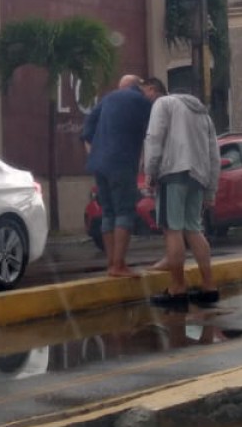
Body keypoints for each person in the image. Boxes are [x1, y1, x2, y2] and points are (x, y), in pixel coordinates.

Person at [139, 77, 221, 309]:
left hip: (172, 172)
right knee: (193, 229)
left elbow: (154, 138)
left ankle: (177, 288)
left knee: (172, 230)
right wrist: (211, 188)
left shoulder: (163, 104)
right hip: (199, 175)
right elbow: (213, 152)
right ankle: (209, 285)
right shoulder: (203, 114)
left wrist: (150, 173)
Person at [81, 74, 151, 278]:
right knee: (124, 212)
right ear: (140, 86)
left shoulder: (107, 99)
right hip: (121, 162)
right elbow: (154, 130)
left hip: (99, 164)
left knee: (108, 213)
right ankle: (119, 265)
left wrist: (97, 153)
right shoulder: (141, 100)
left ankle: (111, 263)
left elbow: (87, 131)